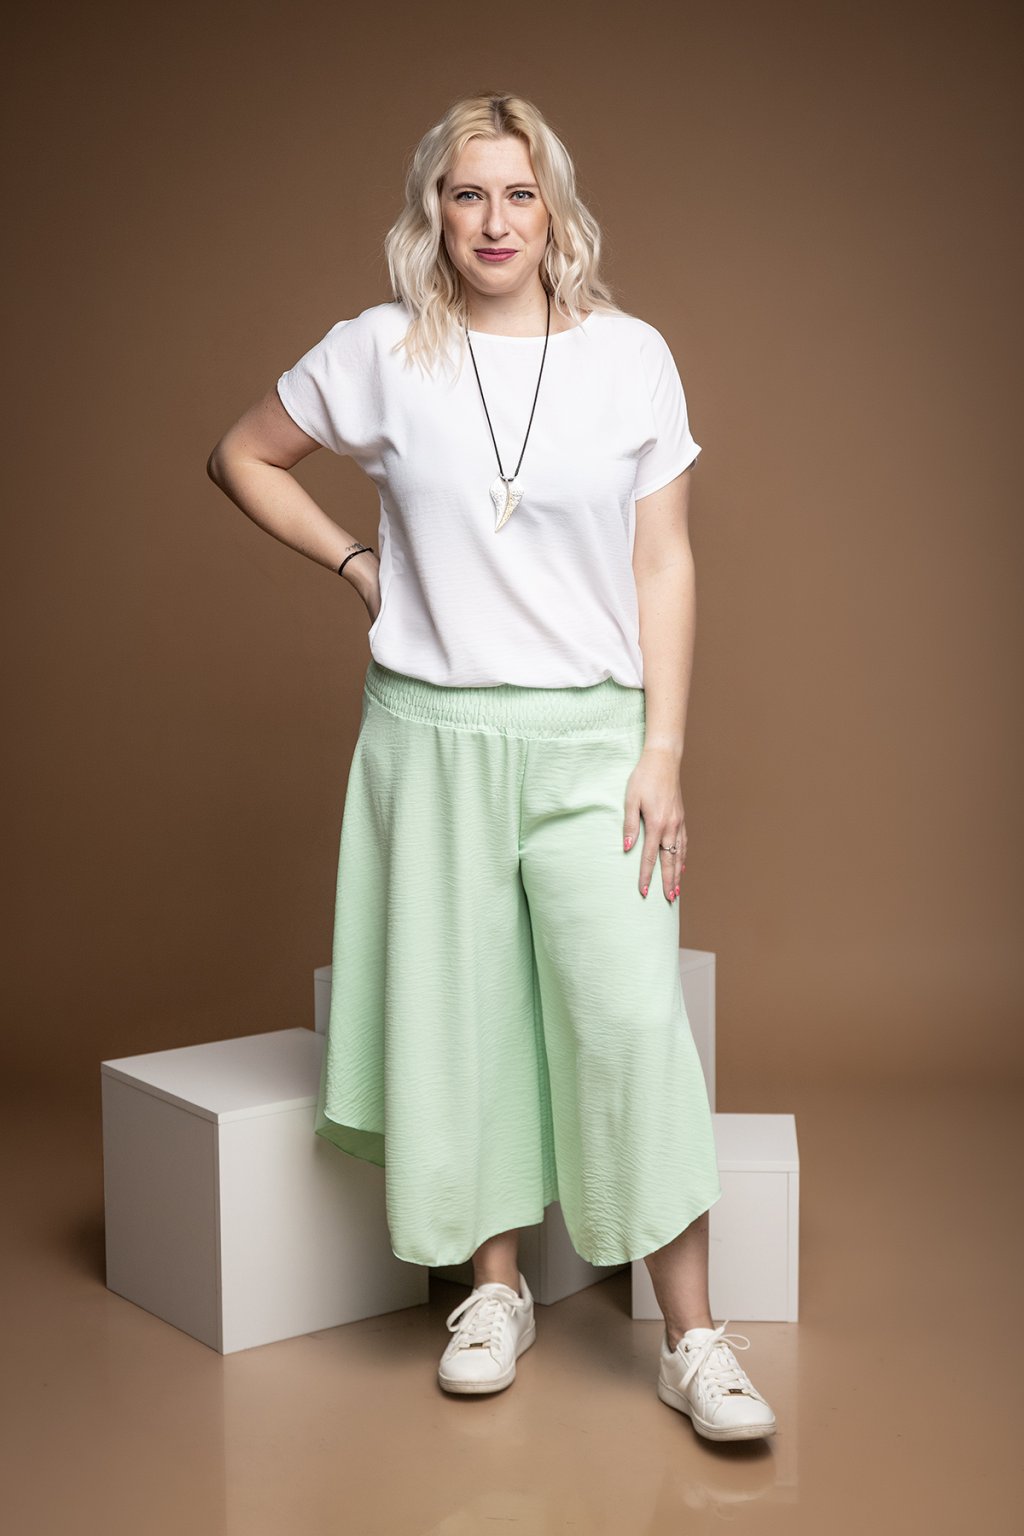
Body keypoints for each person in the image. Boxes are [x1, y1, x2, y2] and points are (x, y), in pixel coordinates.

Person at [207, 90, 776, 1443]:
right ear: (434, 212)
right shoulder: (378, 351)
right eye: (468, 194)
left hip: (594, 744)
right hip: (432, 738)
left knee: (630, 1024)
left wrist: (664, 749)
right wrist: (358, 564)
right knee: (460, 1023)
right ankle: (494, 1292)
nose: (496, 220)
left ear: (556, 211)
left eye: (520, 193)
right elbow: (241, 456)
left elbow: (664, 560)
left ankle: (694, 1339)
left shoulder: (632, 357)